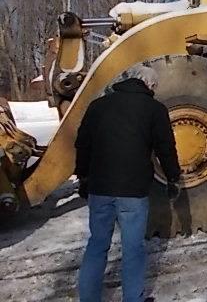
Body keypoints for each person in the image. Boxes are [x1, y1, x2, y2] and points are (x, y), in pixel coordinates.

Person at [75, 65, 181, 302]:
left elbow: (83, 145)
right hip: (132, 192)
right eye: (154, 87)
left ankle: (88, 299)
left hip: (99, 189)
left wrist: (83, 177)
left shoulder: (98, 105)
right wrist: (173, 177)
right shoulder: (154, 109)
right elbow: (166, 148)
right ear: (149, 84)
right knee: (132, 249)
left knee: (97, 245)